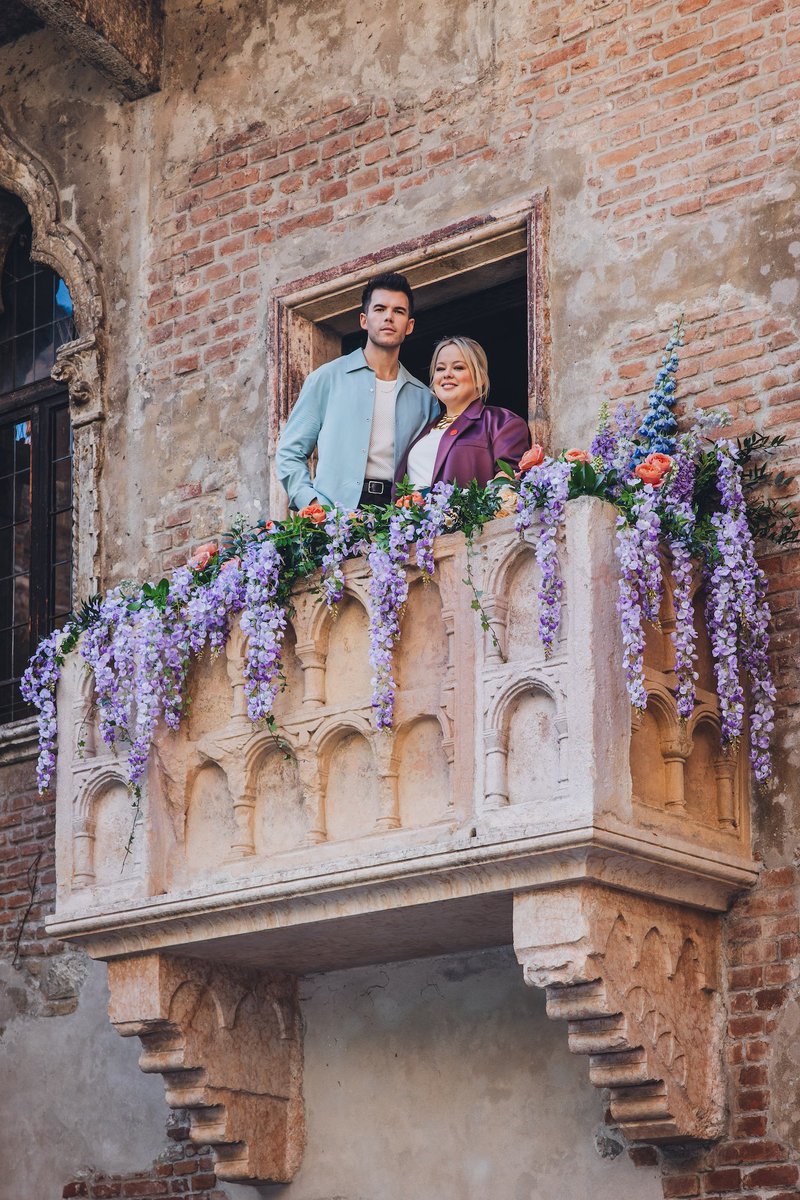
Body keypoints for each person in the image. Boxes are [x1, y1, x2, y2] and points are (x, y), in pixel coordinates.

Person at [276, 272, 438, 511]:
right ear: (364, 320)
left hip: (397, 520)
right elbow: (290, 452)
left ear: (410, 325)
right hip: (334, 516)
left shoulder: (425, 399)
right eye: (380, 309)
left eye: (399, 311)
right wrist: (311, 502)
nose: (389, 318)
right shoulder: (327, 378)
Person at [395, 336, 531, 493]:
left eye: (458, 367)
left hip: (459, 516)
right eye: (440, 369)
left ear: (479, 378)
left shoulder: (502, 423)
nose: (447, 374)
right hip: (415, 516)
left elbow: (509, 480)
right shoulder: (423, 429)